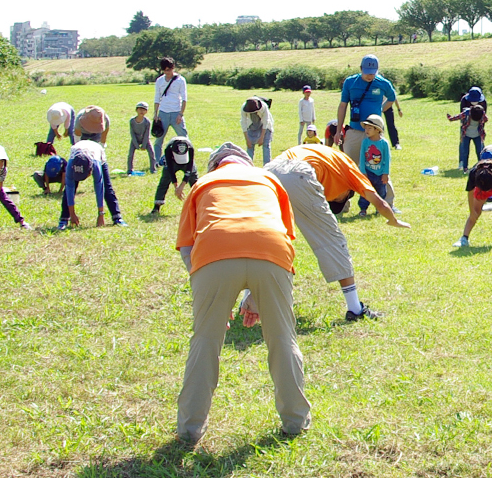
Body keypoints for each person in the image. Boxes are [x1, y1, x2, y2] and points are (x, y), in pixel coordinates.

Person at [175, 142, 308, 443]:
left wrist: (211, 300)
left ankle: (190, 429)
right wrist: (255, 296)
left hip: (214, 251)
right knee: (282, 338)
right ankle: (296, 421)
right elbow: (284, 237)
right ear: (247, 165)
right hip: (272, 251)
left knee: (205, 340)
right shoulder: (269, 180)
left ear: (215, 166)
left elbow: (187, 247)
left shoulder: (203, 183)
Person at [268, 142, 409, 320]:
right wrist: (393, 220)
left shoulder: (329, 159)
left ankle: (250, 301)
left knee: (269, 237)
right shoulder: (349, 169)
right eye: (339, 199)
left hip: (270, 170)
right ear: (348, 191)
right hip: (298, 173)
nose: (333, 199)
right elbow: (379, 202)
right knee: (333, 240)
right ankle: (355, 308)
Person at [336, 55, 398, 166]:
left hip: (375, 132)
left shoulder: (383, 83)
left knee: (375, 166)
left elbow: (392, 98)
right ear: (361, 69)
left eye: (373, 73)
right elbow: (342, 106)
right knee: (351, 167)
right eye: (367, 72)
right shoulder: (350, 82)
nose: (370, 76)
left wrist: (380, 110)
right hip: (355, 131)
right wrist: (338, 130)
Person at [60, 137, 123, 230]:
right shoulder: (71, 165)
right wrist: (72, 214)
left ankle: (117, 217)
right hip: (78, 151)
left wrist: (101, 214)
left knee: (107, 188)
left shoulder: (96, 165)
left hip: (95, 152)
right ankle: (64, 219)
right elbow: (69, 188)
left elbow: (99, 188)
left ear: (90, 171)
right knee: (68, 191)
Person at [152, 56, 188, 167]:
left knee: (184, 138)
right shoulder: (159, 81)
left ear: (173, 68)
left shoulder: (180, 80)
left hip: (176, 112)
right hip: (163, 113)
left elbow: (184, 98)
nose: (167, 72)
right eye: (165, 70)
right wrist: (155, 114)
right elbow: (157, 98)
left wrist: (180, 114)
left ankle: (186, 159)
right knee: (159, 139)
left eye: (169, 69)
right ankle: (157, 161)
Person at [354, 116, 393, 215]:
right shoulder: (365, 142)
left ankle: (379, 209)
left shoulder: (384, 143)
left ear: (377, 130)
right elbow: (362, 157)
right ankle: (363, 209)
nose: (366, 130)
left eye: (369, 128)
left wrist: (386, 173)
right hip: (368, 172)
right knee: (365, 192)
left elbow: (387, 159)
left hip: (380, 173)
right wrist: (363, 171)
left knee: (381, 193)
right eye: (366, 128)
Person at [150, 135, 198, 214]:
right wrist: (176, 187)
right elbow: (170, 170)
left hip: (187, 162)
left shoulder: (190, 148)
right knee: (164, 180)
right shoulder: (168, 149)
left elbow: (189, 169)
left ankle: (199, 203)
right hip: (172, 162)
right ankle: (157, 206)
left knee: (195, 181)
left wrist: (181, 186)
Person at [449, 95, 487, 171]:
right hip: (466, 134)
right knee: (465, 152)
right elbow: (458, 116)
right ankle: (465, 168)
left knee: (480, 151)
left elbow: (486, 119)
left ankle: (481, 166)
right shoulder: (467, 112)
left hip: (477, 135)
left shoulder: (481, 112)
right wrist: (451, 118)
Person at [240, 96, 276, 165]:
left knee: (266, 145)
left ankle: (267, 165)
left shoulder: (264, 107)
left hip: (265, 126)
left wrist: (262, 138)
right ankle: (248, 165)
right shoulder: (244, 107)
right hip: (252, 125)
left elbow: (266, 122)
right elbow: (243, 123)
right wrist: (247, 140)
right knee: (250, 146)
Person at [126, 102, 156, 174]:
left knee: (152, 153)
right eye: (140, 109)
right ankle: (129, 169)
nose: (142, 111)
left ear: (146, 111)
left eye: (144, 110)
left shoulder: (147, 122)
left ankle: (153, 169)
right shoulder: (132, 121)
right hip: (135, 140)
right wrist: (136, 144)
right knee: (130, 155)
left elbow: (147, 134)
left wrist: (144, 145)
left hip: (145, 140)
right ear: (136, 110)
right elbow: (132, 133)